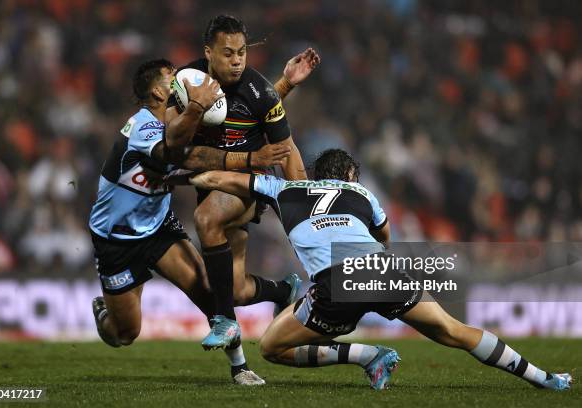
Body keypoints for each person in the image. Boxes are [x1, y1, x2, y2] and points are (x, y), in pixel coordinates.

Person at [186, 149, 573, 391]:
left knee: (272, 347)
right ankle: (545, 378)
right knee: (454, 331)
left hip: (337, 284)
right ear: (350, 176)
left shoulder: (282, 189)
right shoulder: (363, 193)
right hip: (382, 268)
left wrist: (183, 173)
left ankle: (368, 355)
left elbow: (219, 179)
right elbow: (384, 236)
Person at [88, 58, 291, 385]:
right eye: (172, 78)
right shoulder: (142, 126)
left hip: (158, 228)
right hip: (116, 240)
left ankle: (240, 367)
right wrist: (248, 157)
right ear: (157, 91)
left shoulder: (181, 122)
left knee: (209, 289)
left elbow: (247, 118)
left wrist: (284, 85)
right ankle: (104, 315)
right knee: (125, 333)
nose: (181, 80)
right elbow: (181, 156)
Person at [166, 15, 320, 350]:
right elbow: (172, 143)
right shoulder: (186, 81)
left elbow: (285, 149)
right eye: (228, 53)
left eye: (241, 52)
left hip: (250, 181)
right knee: (234, 289)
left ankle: (225, 322)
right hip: (213, 181)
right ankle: (285, 290)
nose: (237, 60)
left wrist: (304, 208)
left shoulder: (261, 91)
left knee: (206, 219)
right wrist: (193, 108)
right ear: (209, 52)